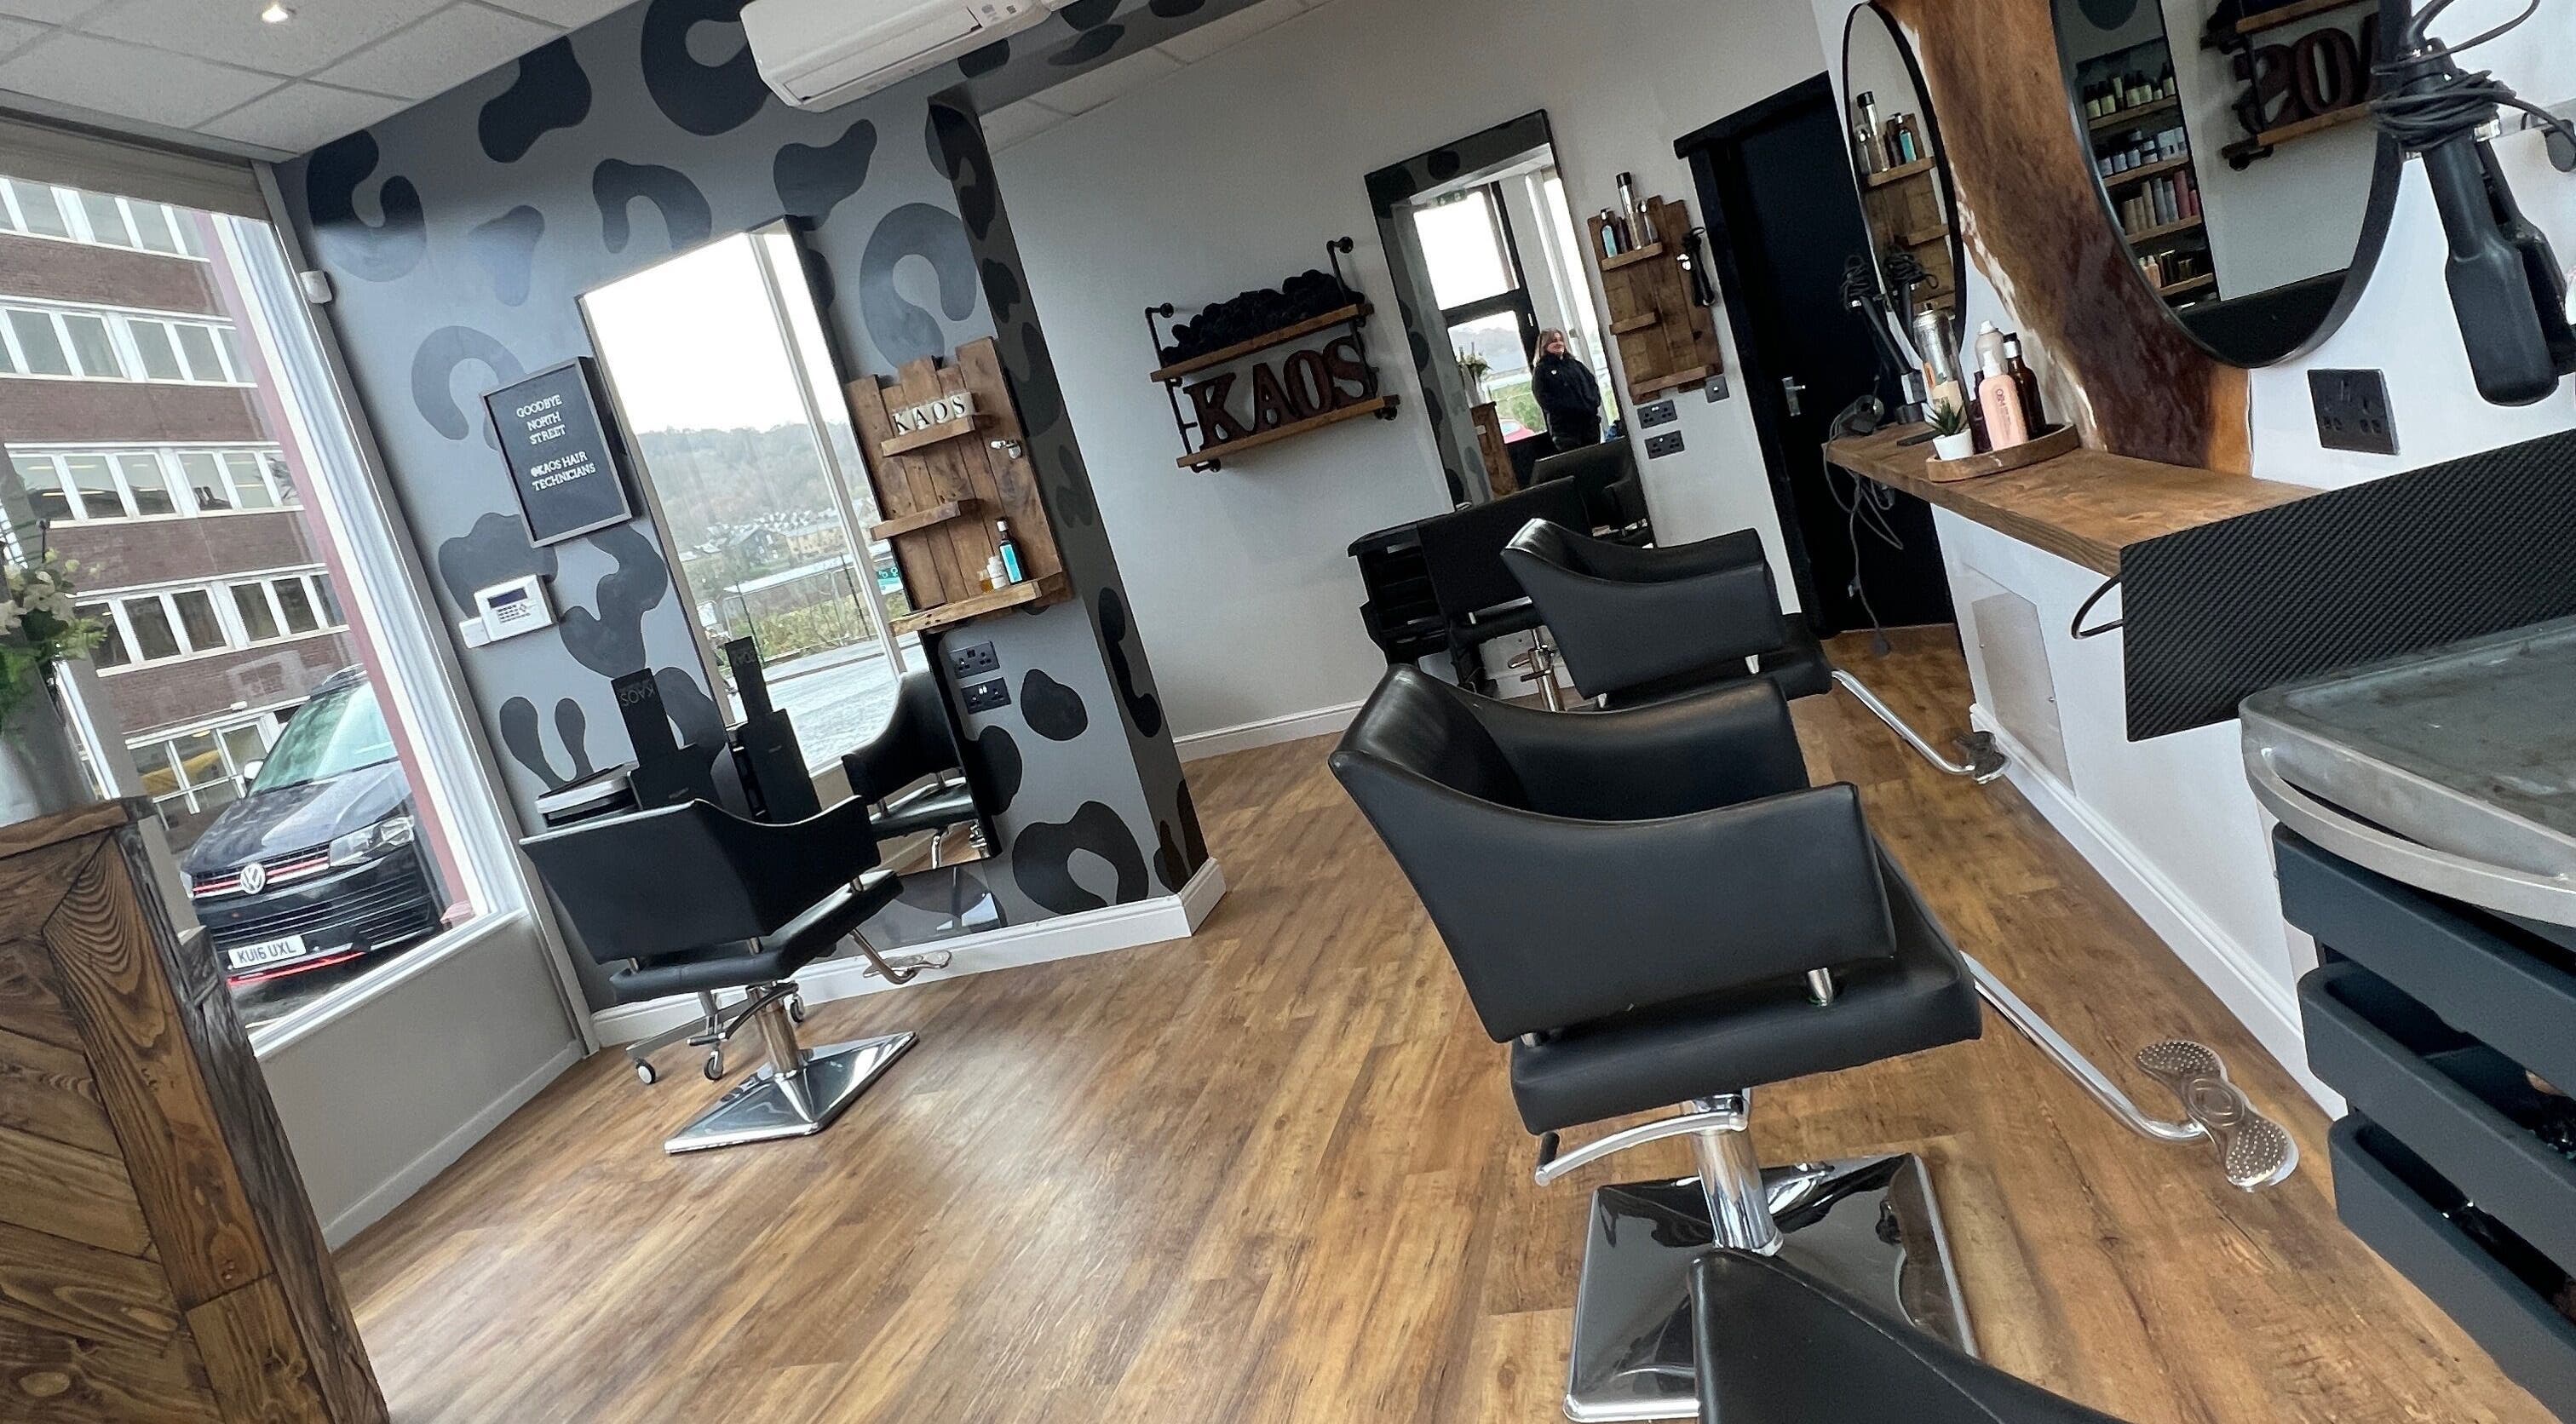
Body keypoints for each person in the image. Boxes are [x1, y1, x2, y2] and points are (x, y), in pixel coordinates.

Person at [1531, 329, 1604, 450]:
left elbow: (1592, 384)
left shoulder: (1576, 365)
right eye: (1554, 341)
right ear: (1544, 346)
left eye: (1561, 340)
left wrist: (1593, 403)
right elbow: (1543, 398)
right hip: (1565, 431)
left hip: (1590, 425)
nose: (1559, 343)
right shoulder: (1541, 371)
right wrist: (1567, 409)